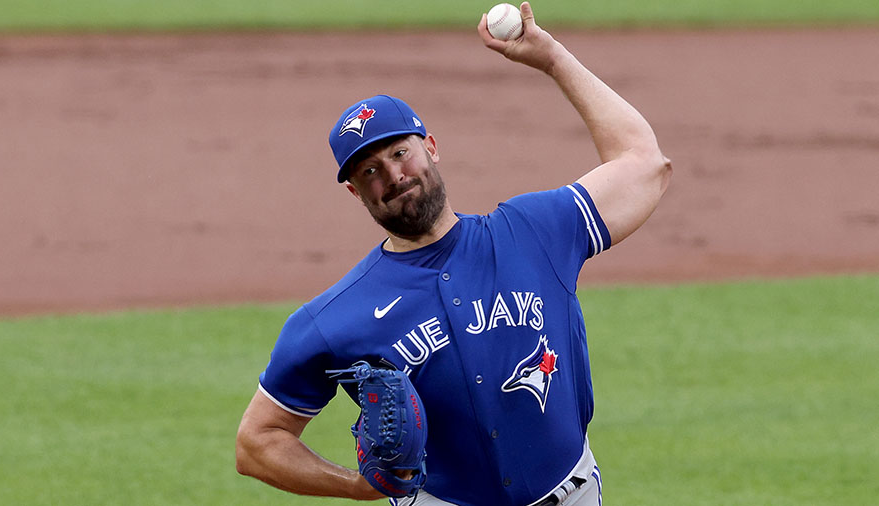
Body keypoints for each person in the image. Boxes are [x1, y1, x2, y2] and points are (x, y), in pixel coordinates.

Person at [235, 2, 671, 505]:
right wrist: (356, 487)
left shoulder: (534, 232)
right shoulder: (332, 320)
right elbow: (257, 444)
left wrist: (551, 58)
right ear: (356, 193)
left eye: (400, 153)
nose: (393, 175)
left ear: (431, 147)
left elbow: (645, 165)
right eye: (370, 171)